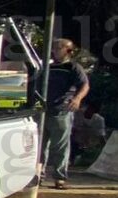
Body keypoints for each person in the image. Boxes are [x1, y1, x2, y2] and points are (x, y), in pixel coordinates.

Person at [32, 38, 90, 188]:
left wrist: (77, 99)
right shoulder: (47, 67)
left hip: (61, 110)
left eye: (59, 48)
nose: (55, 51)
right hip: (43, 110)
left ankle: (59, 177)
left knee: (60, 146)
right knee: (40, 145)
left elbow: (84, 85)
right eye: (54, 48)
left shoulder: (73, 67)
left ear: (68, 51)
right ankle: (38, 175)